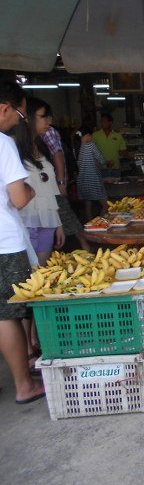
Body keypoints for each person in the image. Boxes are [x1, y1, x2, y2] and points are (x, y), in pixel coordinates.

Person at [0, 79, 46, 404]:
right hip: (5, 242)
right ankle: (24, 385)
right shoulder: (3, 143)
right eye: (20, 114)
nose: (20, 121)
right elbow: (18, 198)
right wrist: (28, 190)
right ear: (5, 108)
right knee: (9, 314)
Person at [10, 100, 64, 265]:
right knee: (30, 272)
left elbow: (49, 188)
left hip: (47, 220)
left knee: (42, 270)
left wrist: (58, 224)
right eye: (43, 117)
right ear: (28, 118)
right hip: (25, 220)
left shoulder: (42, 145)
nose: (49, 122)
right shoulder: (13, 147)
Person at [32, 98, 88, 251]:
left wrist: (61, 182)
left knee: (65, 215)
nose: (49, 121)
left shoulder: (48, 132)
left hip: (53, 185)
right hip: (45, 188)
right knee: (57, 218)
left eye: (48, 117)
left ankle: (85, 246)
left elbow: (58, 155)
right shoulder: (30, 138)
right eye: (44, 117)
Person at [75, 125, 108, 221]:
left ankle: (89, 225)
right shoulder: (90, 145)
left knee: (88, 204)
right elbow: (101, 159)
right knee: (105, 204)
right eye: (91, 135)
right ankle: (98, 224)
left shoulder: (76, 147)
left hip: (82, 181)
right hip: (93, 180)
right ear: (87, 135)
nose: (92, 138)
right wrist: (104, 162)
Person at [92, 112, 126, 178]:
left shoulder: (118, 136)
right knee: (102, 185)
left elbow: (123, 150)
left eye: (104, 121)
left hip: (115, 168)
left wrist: (133, 157)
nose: (102, 123)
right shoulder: (95, 135)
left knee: (117, 184)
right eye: (101, 121)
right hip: (101, 168)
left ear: (110, 123)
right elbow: (92, 151)